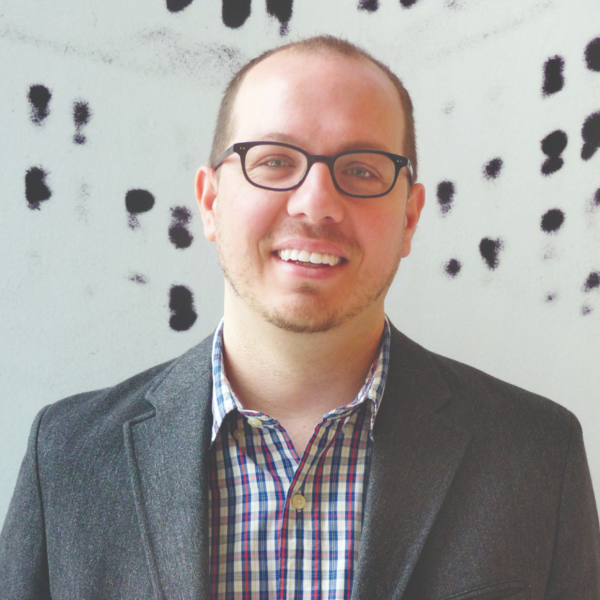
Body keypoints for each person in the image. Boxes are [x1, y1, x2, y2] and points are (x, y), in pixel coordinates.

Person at [1, 35, 599, 600]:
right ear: (210, 203)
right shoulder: (69, 456)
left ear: (411, 217)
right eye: (274, 161)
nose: (315, 203)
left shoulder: (539, 454)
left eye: (362, 169)